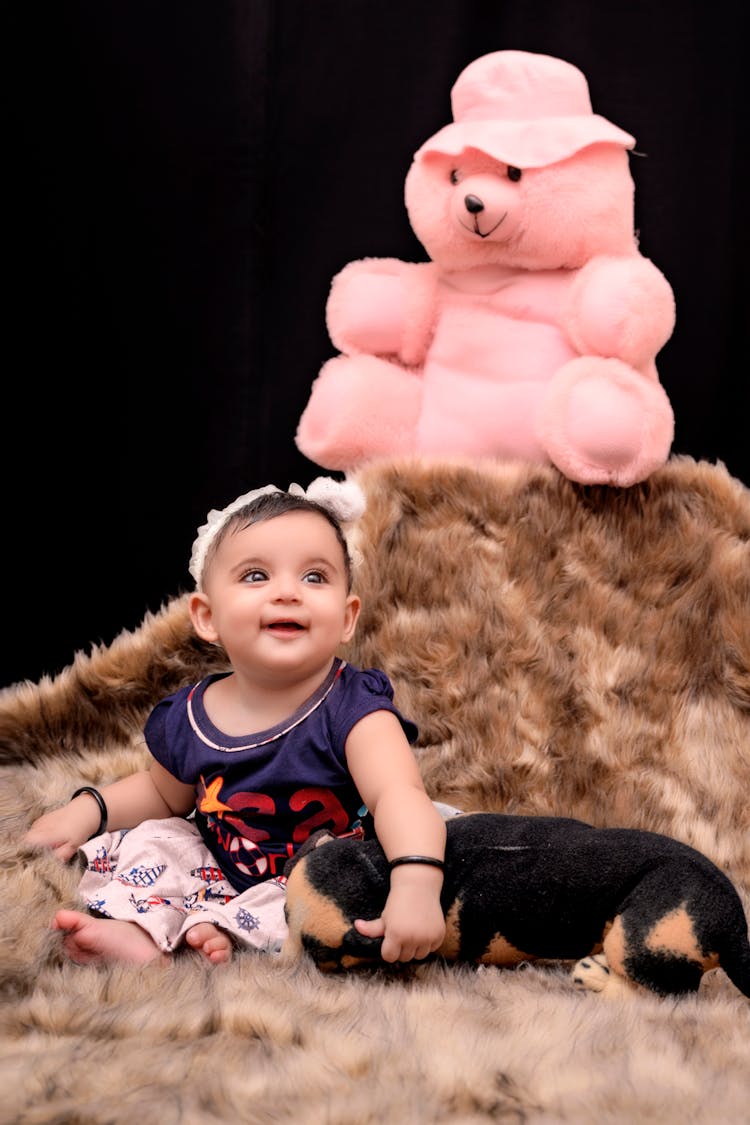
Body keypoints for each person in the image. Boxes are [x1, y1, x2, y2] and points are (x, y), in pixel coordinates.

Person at [24, 477, 448, 967]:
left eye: (315, 577)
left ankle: (216, 931)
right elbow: (166, 796)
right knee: (153, 842)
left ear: (347, 617)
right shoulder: (190, 715)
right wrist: (89, 809)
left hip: (325, 865)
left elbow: (399, 795)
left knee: (353, 887)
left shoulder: (354, 707)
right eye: (255, 576)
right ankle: (142, 934)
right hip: (222, 866)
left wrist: (417, 880)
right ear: (208, 617)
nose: (288, 592)